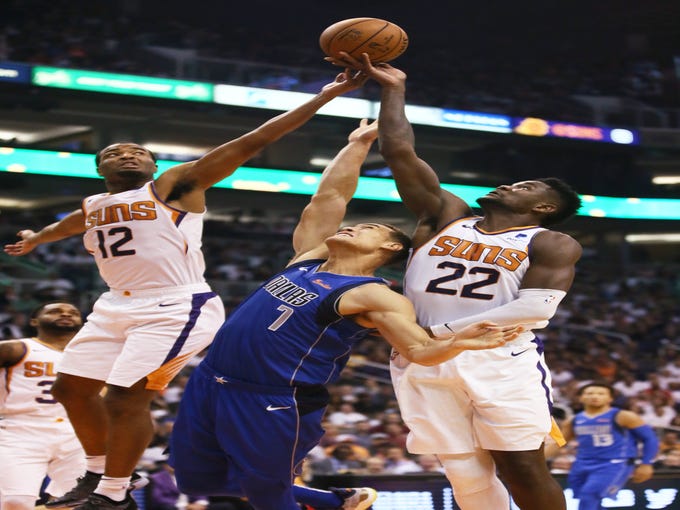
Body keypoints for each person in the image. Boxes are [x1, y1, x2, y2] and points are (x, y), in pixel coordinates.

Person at [3, 69, 372, 510]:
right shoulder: (95, 205)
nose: (127, 154)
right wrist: (37, 238)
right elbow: (69, 223)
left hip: (175, 303)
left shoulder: (173, 186)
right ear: (99, 168)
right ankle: (97, 471)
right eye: (114, 152)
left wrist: (323, 97)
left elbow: (251, 141)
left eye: (137, 151)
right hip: (113, 305)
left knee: (125, 397)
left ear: (153, 166)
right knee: (71, 390)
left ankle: (114, 492)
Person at [168, 119, 522, 510]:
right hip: (210, 381)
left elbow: (419, 348)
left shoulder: (373, 295)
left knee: (269, 495)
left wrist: (460, 341)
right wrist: (358, 143)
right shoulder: (306, 261)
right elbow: (331, 196)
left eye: (367, 227)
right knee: (195, 479)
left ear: (389, 247)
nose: (353, 227)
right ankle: (337, 501)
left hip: (273, 398)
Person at [330, 53, 583, 510]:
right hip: (425, 360)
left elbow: (535, 310)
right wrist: (393, 89)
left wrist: (437, 335)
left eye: (525, 188)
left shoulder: (550, 241)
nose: (510, 186)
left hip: (497, 359)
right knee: (463, 471)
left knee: (521, 466)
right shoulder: (445, 216)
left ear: (544, 207)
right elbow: (399, 153)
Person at [0, 302, 85, 510]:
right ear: (34, 321)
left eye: (73, 313)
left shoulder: (88, 356)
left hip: (77, 431)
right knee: (16, 502)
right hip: (21, 428)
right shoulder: (17, 347)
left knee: (83, 501)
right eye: (55, 311)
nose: (66, 314)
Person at [553, 382, 659, 510]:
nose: (595, 396)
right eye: (590, 393)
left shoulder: (623, 416)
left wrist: (646, 464)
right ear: (581, 398)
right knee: (588, 499)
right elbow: (558, 443)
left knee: (589, 496)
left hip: (614, 463)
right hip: (582, 463)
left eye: (601, 393)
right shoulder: (573, 420)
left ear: (610, 398)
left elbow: (650, 438)